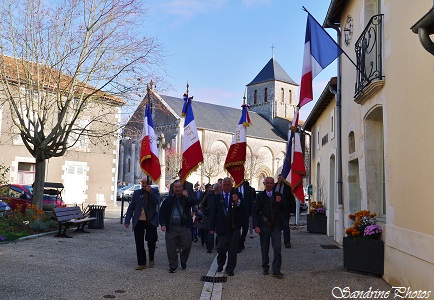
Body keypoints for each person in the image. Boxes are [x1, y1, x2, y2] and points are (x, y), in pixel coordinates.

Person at [159, 180, 196, 273]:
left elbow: (193, 202)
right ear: (173, 188)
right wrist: (163, 224)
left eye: (179, 187)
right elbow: (162, 212)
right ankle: (173, 265)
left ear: (182, 188)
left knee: (187, 245)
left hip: (184, 227)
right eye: (175, 187)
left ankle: (183, 260)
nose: (177, 189)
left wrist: (187, 196)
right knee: (171, 248)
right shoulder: (168, 200)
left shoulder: (185, 199)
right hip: (171, 228)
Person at [252, 176, 286, 278]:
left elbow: (285, 208)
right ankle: (265, 267)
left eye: (271, 183)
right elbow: (255, 212)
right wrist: (256, 225)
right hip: (264, 225)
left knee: (277, 248)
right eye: (267, 183)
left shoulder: (278, 195)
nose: (269, 185)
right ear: (264, 184)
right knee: (265, 248)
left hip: (275, 225)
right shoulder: (260, 196)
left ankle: (276, 269)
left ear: (273, 184)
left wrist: (281, 201)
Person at [124, 176, 160, 270]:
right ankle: (141, 263)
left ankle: (151, 258)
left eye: (145, 183)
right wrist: (127, 220)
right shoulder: (137, 193)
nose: (143, 185)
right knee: (139, 242)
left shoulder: (155, 191)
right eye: (142, 183)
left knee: (151, 241)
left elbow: (157, 202)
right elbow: (131, 207)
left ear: (150, 183)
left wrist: (150, 192)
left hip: (150, 220)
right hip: (139, 221)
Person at [209, 178, 243, 276]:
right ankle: (220, 263)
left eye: (229, 185)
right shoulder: (217, 198)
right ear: (222, 186)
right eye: (225, 185)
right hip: (221, 227)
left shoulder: (237, 196)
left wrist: (238, 201)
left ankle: (230, 268)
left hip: (234, 227)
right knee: (221, 248)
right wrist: (211, 227)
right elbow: (213, 213)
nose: (227, 187)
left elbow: (244, 209)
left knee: (233, 250)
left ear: (231, 185)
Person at [274, 174, 296, 248]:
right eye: (278, 178)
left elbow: (291, 199)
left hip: (284, 210)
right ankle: (276, 241)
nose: (279, 180)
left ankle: (287, 242)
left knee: (286, 226)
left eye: (281, 178)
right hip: (275, 210)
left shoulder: (287, 188)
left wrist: (292, 210)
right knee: (276, 227)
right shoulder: (274, 186)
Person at [199, 183, 220, 253]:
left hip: (219, 216)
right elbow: (202, 205)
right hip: (210, 216)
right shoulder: (209, 196)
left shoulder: (221, 195)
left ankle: (218, 245)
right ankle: (209, 247)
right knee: (210, 232)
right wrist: (206, 212)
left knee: (219, 232)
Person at [237, 180, 256, 252]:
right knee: (237, 229)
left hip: (246, 213)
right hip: (237, 213)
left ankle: (241, 241)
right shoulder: (234, 189)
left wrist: (251, 211)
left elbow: (251, 200)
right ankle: (239, 244)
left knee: (245, 229)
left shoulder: (249, 189)